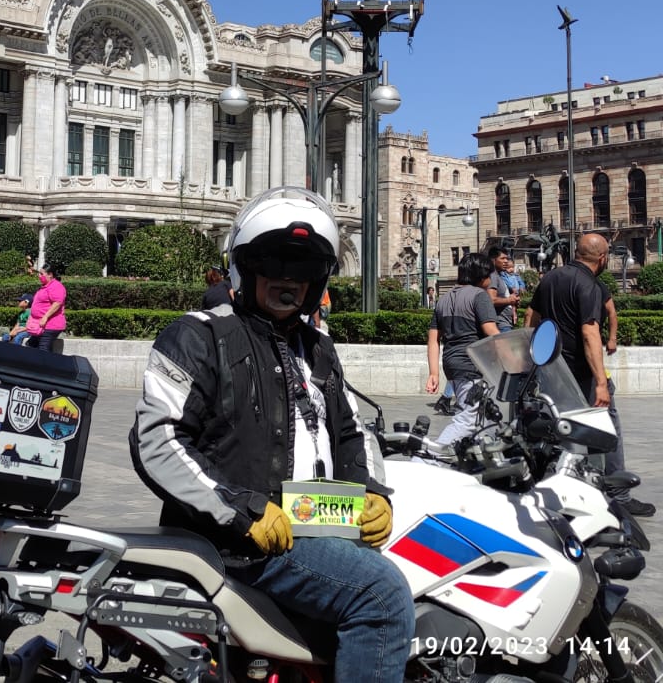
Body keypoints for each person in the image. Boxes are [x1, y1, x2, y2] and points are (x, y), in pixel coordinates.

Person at [130, 187, 413, 683]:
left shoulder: (317, 347)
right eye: (274, 264)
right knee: (383, 594)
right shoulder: (198, 334)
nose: (288, 279)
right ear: (245, 267)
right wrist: (241, 509)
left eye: (302, 269)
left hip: (314, 527)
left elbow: (351, 430)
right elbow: (158, 440)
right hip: (238, 541)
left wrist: (373, 493)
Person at [526, 233, 654, 518]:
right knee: (609, 429)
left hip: (554, 371)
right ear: (603, 258)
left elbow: (531, 319)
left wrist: (535, 357)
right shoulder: (589, 285)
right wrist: (600, 383)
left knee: (563, 431)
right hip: (582, 374)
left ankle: (565, 491)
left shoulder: (550, 278)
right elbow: (588, 333)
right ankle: (617, 495)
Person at [426, 253, 500, 445]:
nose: (491, 280)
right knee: (467, 420)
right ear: (480, 276)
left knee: (478, 417)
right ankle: (429, 457)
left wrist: (433, 373)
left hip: (451, 365)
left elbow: (433, 339)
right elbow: (491, 331)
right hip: (472, 365)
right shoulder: (479, 296)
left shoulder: (443, 299)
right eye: (488, 275)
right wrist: (513, 354)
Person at [24, 258, 66, 352]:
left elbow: (57, 303)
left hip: (50, 325)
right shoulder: (44, 287)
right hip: (40, 325)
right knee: (30, 345)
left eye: (42, 274)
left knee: (43, 349)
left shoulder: (56, 286)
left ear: (50, 275)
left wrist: (45, 317)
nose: (39, 276)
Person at [485, 247, 519, 330]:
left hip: (506, 323)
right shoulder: (492, 276)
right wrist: (509, 300)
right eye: (502, 258)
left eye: (507, 258)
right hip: (500, 325)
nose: (506, 261)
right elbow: (491, 300)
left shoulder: (499, 276)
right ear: (493, 260)